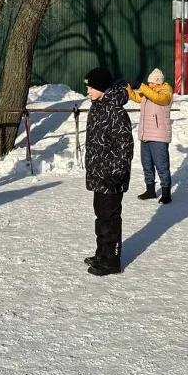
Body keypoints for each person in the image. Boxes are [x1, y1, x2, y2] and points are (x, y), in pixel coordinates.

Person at [83, 67, 134, 276]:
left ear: (102, 88)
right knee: (100, 216)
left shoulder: (115, 111)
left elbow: (124, 147)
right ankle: (101, 252)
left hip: (111, 176)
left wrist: (116, 174)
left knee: (110, 218)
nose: (88, 91)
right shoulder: (98, 106)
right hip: (98, 173)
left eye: (91, 87)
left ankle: (111, 259)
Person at [127, 68, 174, 204]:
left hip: (159, 136)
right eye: (148, 83)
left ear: (159, 82)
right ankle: (150, 190)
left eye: (152, 83)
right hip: (146, 134)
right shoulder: (149, 93)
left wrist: (141, 86)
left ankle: (166, 193)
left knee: (161, 165)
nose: (149, 85)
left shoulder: (166, 92)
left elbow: (159, 98)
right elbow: (136, 97)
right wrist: (128, 88)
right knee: (146, 164)